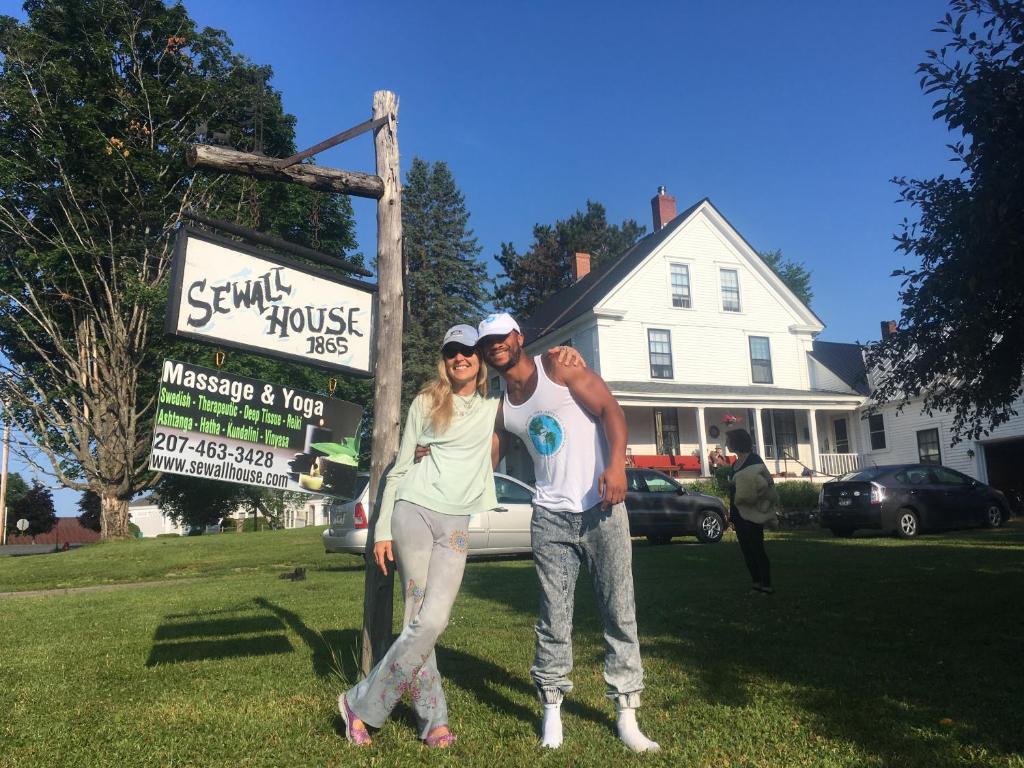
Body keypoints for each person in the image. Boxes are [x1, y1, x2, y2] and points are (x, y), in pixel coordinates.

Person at [339, 324, 583, 748]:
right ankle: (434, 721)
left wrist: (558, 353)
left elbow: (533, 385)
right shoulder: (426, 402)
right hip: (413, 513)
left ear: (480, 357)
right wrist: (380, 530)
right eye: (452, 351)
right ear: (445, 358)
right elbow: (398, 469)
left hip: (455, 524)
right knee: (419, 616)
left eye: (468, 350)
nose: (460, 357)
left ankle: (359, 702)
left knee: (433, 620)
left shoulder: (494, 408)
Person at [477, 312, 659, 753]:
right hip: (550, 518)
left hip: (602, 508)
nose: (497, 345)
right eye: (488, 342)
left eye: (503, 336)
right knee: (553, 618)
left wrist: (616, 466)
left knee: (619, 611)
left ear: (518, 336)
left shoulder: (556, 366)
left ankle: (626, 714)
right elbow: (486, 458)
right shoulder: (501, 403)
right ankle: (552, 710)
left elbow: (610, 409)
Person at [724, 428, 778, 595]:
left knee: (756, 547)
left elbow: (767, 481)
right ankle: (756, 583)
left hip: (753, 511)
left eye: (728, 441)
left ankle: (767, 585)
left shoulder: (754, 460)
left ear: (737, 442)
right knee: (746, 548)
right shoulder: (735, 464)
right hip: (738, 510)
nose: (726, 444)